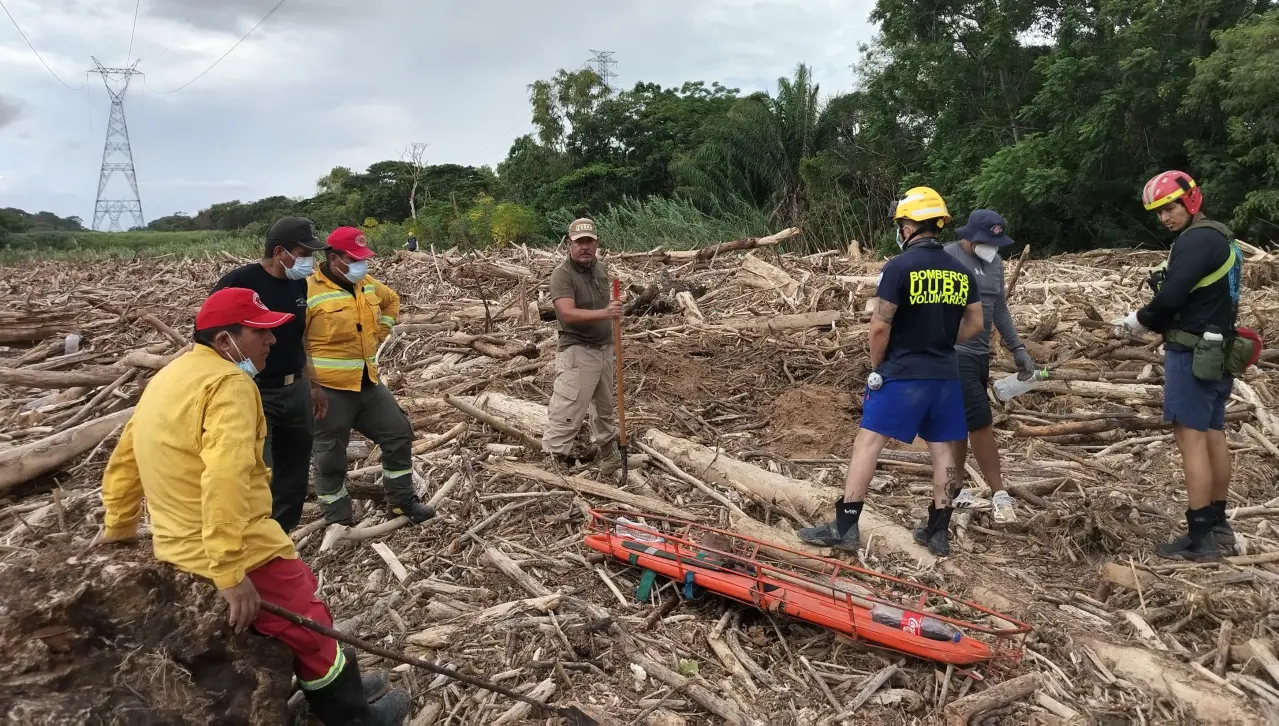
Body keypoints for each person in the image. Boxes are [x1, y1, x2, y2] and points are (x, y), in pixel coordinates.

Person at [96, 288, 411, 725]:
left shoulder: (170, 376)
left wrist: (120, 527)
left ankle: (346, 686)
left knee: (303, 629)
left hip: (179, 545)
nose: (271, 342)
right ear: (226, 341)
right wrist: (229, 569)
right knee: (311, 627)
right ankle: (352, 716)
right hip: (236, 544)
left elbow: (125, 460)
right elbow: (224, 479)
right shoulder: (230, 386)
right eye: (260, 333)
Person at [799, 187, 983, 556]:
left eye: (901, 223)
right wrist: (943, 338)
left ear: (911, 225)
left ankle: (845, 524)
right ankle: (938, 530)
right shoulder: (961, 271)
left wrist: (878, 364)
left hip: (903, 371)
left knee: (868, 443)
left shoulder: (899, 267)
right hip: (945, 375)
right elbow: (976, 323)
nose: (899, 230)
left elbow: (880, 325)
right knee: (943, 449)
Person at [1117, 170, 1246, 561]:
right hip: (1218, 351)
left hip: (1191, 353)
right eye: (1158, 212)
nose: (1165, 218)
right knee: (1212, 435)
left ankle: (1200, 537)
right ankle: (1219, 525)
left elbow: (1171, 296)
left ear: (1191, 201)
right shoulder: (1223, 239)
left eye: (1169, 208)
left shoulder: (1194, 241)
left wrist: (1140, 319)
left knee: (1191, 441)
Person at [307, 227, 435, 526]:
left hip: (367, 382)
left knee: (398, 432)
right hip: (327, 390)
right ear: (332, 258)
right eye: (353, 259)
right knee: (329, 457)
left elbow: (392, 300)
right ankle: (338, 519)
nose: (360, 265)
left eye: (362, 258)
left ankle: (401, 501)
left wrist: (381, 330)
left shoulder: (365, 283)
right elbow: (294, 342)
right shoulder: (308, 290)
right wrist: (310, 385)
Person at [212, 216, 327, 533]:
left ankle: (281, 536)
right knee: (259, 470)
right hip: (255, 390)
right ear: (280, 252)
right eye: (303, 253)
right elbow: (212, 336)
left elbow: (300, 339)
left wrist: (313, 385)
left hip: (295, 389)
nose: (309, 261)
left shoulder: (297, 283)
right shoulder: (239, 283)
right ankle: (252, 540)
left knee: (294, 471)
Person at [944, 210, 1034, 524]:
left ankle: (955, 490)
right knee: (980, 422)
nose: (992, 247)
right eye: (987, 241)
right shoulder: (946, 258)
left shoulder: (995, 264)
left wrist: (1018, 348)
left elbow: (999, 309)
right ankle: (999, 495)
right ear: (969, 237)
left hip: (980, 354)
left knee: (960, 422)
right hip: (954, 353)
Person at [542, 217, 623, 474]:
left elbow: (604, 306)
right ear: (570, 244)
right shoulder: (562, 275)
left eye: (589, 241)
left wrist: (611, 314)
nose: (584, 247)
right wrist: (606, 314)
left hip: (603, 349)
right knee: (568, 410)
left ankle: (610, 459)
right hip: (577, 352)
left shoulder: (600, 269)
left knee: (604, 409)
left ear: (596, 243)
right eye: (579, 242)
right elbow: (568, 314)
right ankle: (555, 465)